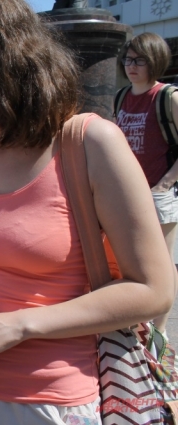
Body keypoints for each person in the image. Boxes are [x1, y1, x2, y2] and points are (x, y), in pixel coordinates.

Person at [0, 0, 174, 424]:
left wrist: (21, 324)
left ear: (14, 61)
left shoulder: (90, 144)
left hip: (54, 403)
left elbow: (154, 289)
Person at [115, 32, 178, 334]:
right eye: (128, 59)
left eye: (140, 60)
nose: (132, 65)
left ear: (155, 61)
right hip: (127, 193)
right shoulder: (122, 95)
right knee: (131, 260)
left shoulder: (168, 97)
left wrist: (165, 183)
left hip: (157, 192)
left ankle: (160, 331)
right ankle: (138, 324)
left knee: (162, 263)